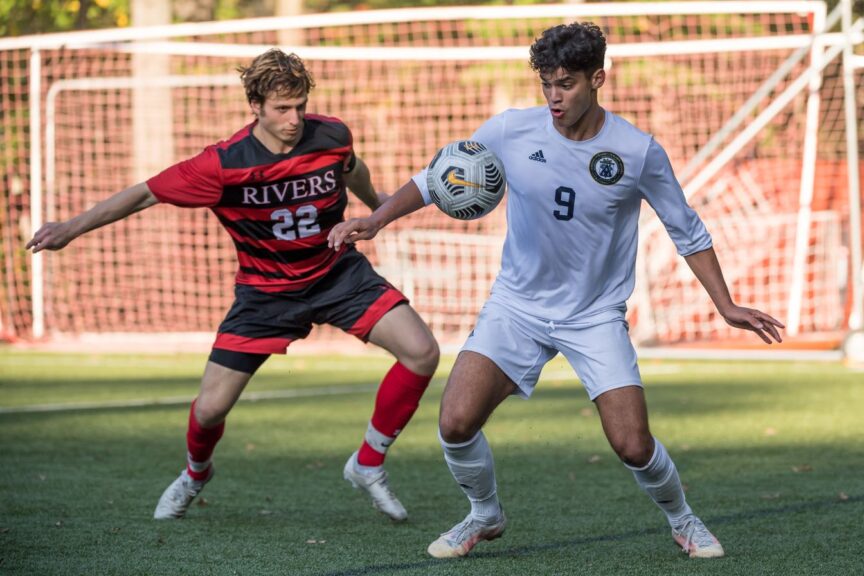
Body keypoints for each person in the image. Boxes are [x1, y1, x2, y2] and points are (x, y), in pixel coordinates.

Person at [329, 22, 784, 559]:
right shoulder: (510, 130)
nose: (553, 96)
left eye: (565, 84)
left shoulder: (637, 152)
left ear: (599, 78)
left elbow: (687, 229)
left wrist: (725, 305)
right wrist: (377, 219)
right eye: (545, 83)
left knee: (632, 444)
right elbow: (435, 178)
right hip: (516, 306)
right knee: (454, 422)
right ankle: (484, 514)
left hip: (594, 315)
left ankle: (683, 520)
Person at [26, 49, 439, 523]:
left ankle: (368, 463)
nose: (294, 119)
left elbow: (352, 169)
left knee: (422, 351)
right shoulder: (221, 165)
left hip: (337, 274)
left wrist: (378, 207)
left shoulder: (332, 134)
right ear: (255, 106)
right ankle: (195, 473)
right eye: (283, 109)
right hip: (265, 294)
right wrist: (70, 228)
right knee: (208, 411)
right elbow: (143, 194)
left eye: (300, 106)